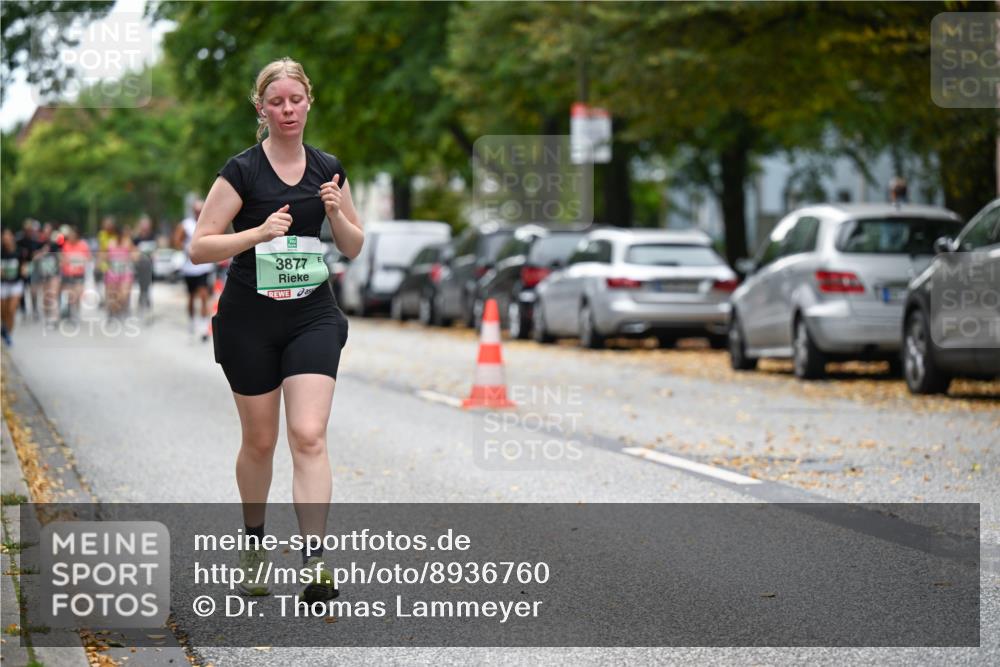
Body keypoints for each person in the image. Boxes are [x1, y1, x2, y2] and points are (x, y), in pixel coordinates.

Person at [189, 58, 363, 602]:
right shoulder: (241, 171)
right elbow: (199, 246)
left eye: (296, 100)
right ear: (261, 109)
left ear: (309, 102)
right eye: (276, 102)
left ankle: (315, 562)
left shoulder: (328, 168)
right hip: (250, 319)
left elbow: (354, 246)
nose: (287, 110)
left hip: (311, 315)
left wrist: (336, 214)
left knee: (308, 434)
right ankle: (254, 543)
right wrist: (258, 233)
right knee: (260, 441)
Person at [175, 200, 214, 341]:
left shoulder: (209, 223)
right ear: (193, 211)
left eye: (201, 210)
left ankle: (203, 327)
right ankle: (192, 323)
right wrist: (186, 248)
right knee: (191, 297)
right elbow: (177, 241)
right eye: (197, 211)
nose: (199, 213)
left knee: (204, 295)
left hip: (204, 266)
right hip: (190, 268)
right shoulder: (186, 225)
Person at [1, 229, 27, 346]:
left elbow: (24, 265)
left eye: (8, 236)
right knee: (3, 311)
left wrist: (24, 270)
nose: (6, 238)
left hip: (16, 283)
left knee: (11, 310)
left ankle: (8, 335)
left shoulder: (19, 251)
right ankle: (4, 327)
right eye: (4, 236)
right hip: (3, 284)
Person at [59, 226, 90, 322]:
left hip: (79, 274)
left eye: (73, 235)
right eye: (70, 235)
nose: (71, 237)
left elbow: (88, 258)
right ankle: (69, 312)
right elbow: (62, 259)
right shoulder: (65, 245)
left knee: (78, 294)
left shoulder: (83, 245)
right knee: (70, 295)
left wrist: (79, 260)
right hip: (68, 274)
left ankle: (76, 312)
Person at [105, 225, 134, 319]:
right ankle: (113, 313)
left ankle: (121, 310)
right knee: (113, 295)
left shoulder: (128, 242)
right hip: (113, 273)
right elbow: (106, 257)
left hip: (125, 273)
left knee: (123, 295)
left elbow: (134, 255)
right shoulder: (111, 242)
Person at [132, 216, 157, 317]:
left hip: (149, 266)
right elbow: (133, 251)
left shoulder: (152, 236)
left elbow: (156, 249)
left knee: (147, 287)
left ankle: (146, 305)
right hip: (140, 265)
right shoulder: (137, 238)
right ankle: (142, 305)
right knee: (142, 287)